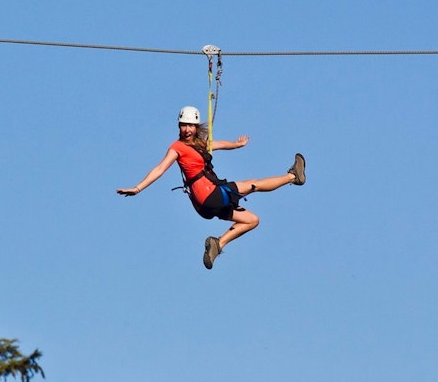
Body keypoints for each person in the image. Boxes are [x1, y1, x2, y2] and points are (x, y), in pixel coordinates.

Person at [117, 106, 305, 269]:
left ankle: (218, 244)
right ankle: (293, 176)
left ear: (196, 127)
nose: (187, 129)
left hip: (205, 204)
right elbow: (160, 169)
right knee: (252, 184)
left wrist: (237, 144)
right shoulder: (177, 147)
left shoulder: (200, 145)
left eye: (191, 125)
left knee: (252, 220)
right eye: (184, 125)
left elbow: (218, 144)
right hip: (209, 194)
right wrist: (138, 188)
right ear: (179, 127)